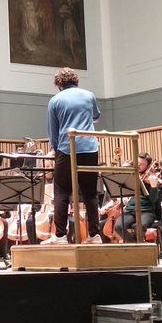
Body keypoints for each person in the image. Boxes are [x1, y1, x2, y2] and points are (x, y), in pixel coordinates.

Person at [44, 67, 102, 245]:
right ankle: (94, 235)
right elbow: (96, 117)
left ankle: (60, 236)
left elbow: (53, 131)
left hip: (67, 148)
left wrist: (55, 149)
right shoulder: (88, 95)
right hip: (90, 148)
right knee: (90, 193)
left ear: (59, 84)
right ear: (76, 80)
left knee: (62, 191)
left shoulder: (55, 100)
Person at [116, 153, 160, 239]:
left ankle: (139, 247)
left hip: (146, 211)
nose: (138, 166)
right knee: (118, 226)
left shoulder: (151, 178)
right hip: (130, 210)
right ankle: (134, 247)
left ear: (148, 166)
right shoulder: (130, 176)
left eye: (142, 164)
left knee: (139, 227)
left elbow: (153, 200)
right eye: (137, 163)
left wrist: (154, 187)